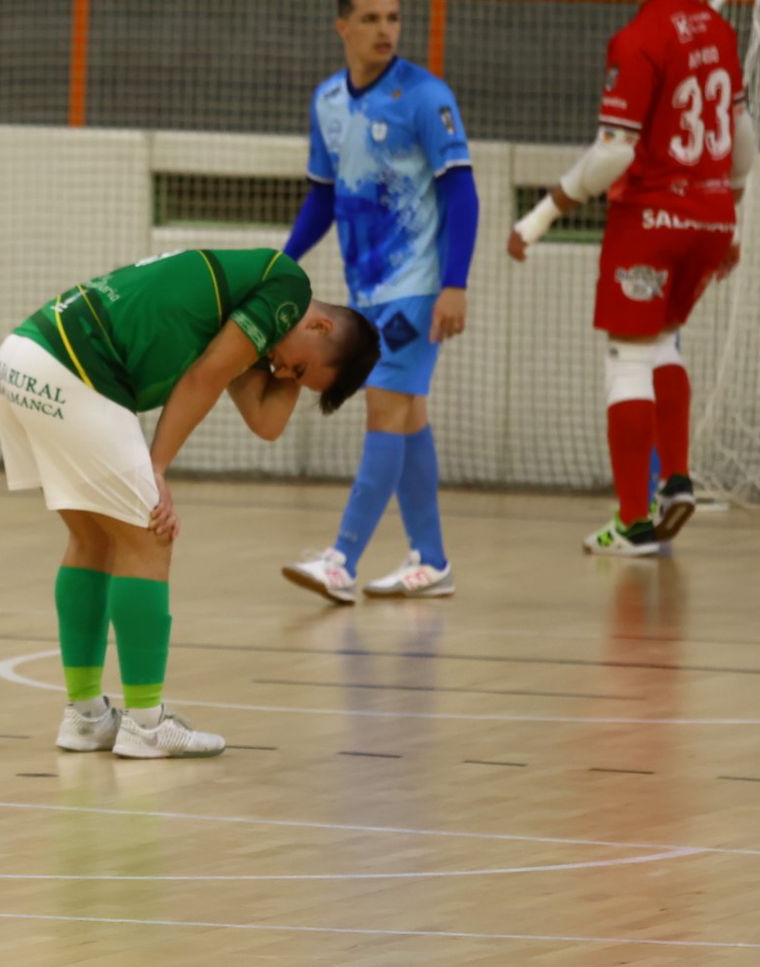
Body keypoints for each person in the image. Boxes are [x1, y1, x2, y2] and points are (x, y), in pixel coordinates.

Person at [0, 248, 379, 757]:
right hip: (75, 370)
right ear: (320, 324)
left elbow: (266, 423)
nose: (286, 375)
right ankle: (147, 725)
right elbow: (203, 379)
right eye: (301, 367)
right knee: (151, 536)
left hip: (22, 358)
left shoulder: (252, 319)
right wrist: (156, 468)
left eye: (297, 380)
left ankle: (86, 718)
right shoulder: (287, 288)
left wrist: (288, 366)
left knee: (93, 539)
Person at [509, 0, 752, 555]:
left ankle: (633, 522)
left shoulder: (638, 39)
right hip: (712, 216)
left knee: (628, 359)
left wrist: (542, 214)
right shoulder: (719, 30)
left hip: (651, 220)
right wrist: (730, 221)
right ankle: (677, 479)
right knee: (663, 341)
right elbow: (742, 138)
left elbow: (614, 154)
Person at [279, 0, 480, 603]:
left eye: (392, 17)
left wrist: (455, 283)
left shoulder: (426, 97)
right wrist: (283, 262)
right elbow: (323, 196)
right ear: (342, 26)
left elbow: (462, 194)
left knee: (384, 411)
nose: (385, 29)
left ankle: (342, 560)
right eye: (369, 19)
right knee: (408, 416)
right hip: (366, 290)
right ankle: (432, 561)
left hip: (416, 288)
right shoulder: (328, 101)